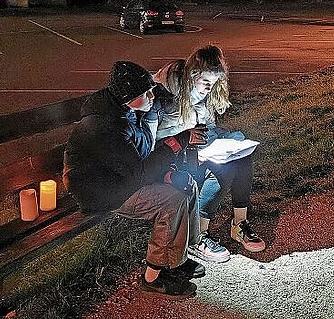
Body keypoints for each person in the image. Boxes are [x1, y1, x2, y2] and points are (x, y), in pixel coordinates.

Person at [63, 61, 208, 298]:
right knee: (172, 200)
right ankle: (154, 276)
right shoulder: (104, 126)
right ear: (129, 96)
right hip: (101, 191)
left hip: (123, 179)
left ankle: (178, 259)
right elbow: (139, 172)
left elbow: (140, 156)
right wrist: (177, 141)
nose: (152, 96)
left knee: (187, 184)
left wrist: (167, 171)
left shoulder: (128, 112)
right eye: (146, 93)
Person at [146, 45, 266, 262]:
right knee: (223, 167)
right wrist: (187, 143)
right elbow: (150, 142)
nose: (209, 89)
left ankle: (239, 224)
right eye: (205, 83)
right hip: (168, 160)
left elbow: (207, 129)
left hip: (193, 152)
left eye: (214, 84)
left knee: (241, 157)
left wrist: (223, 140)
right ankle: (197, 235)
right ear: (193, 75)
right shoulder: (163, 95)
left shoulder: (202, 96)